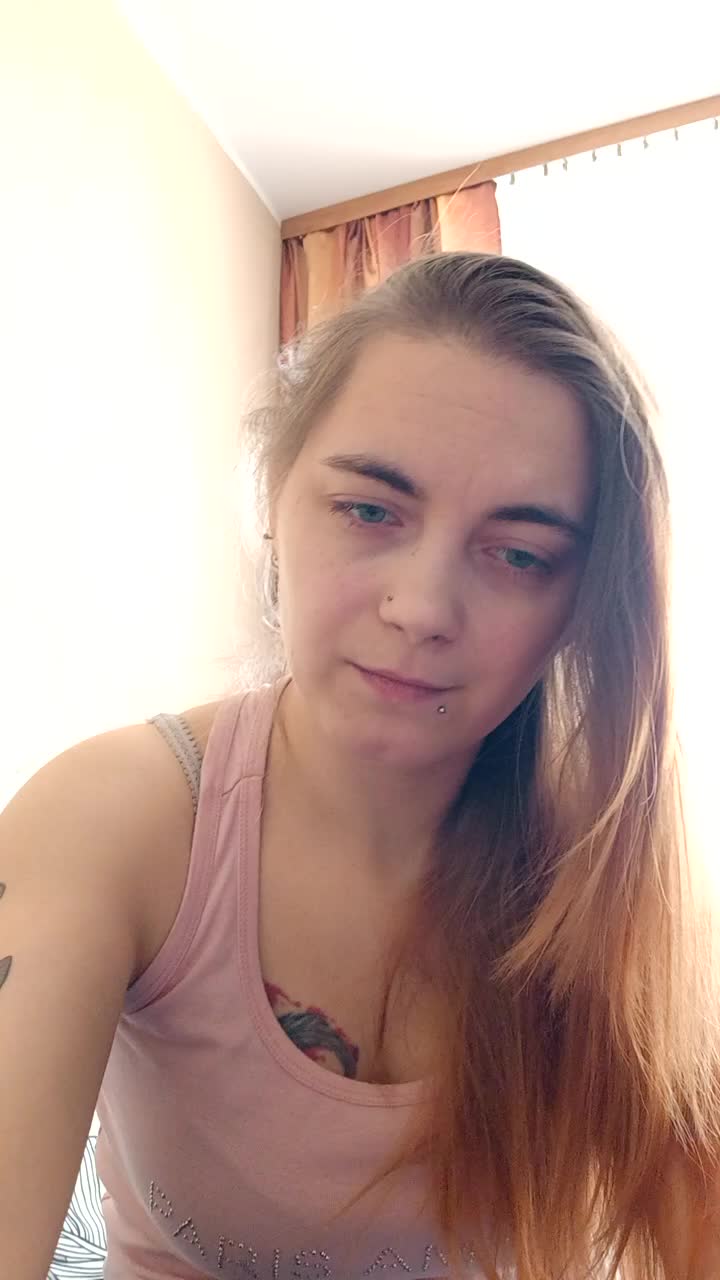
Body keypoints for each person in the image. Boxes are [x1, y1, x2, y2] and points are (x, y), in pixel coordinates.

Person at [2, 252, 719, 1280]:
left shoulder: (606, 884)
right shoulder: (117, 819)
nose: (421, 609)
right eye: (370, 510)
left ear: (578, 609)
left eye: (518, 554)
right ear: (275, 499)